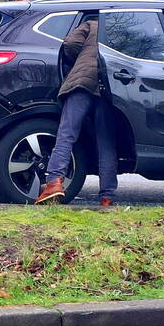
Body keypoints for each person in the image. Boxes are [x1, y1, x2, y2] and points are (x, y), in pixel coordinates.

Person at [35, 18, 118, 207]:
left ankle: (54, 183)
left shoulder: (91, 24)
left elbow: (71, 44)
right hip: (108, 85)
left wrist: (78, 59)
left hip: (81, 82)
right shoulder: (119, 28)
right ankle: (107, 197)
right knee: (106, 142)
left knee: (67, 134)